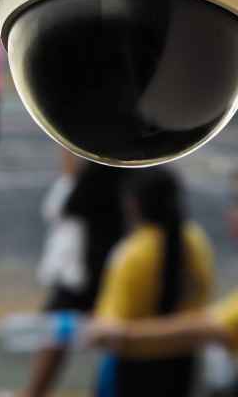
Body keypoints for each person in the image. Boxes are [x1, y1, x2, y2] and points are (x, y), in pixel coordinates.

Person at [90, 167, 214, 397]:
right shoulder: (197, 241)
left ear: (134, 203)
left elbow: (108, 327)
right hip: (184, 365)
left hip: (133, 369)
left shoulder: (133, 253)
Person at [13, 151, 126, 397]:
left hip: (82, 277)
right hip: (89, 274)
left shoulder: (89, 186)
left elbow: (62, 206)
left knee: (53, 338)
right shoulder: (105, 183)